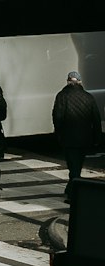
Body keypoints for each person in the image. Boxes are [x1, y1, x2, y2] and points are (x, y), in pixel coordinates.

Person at [52, 69, 101, 199]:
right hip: (84, 138)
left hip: (68, 138)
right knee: (77, 166)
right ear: (79, 82)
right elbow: (96, 119)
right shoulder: (88, 97)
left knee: (73, 167)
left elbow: (57, 117)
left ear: (68, 81)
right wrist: (97, 137)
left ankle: (73, 193)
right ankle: (71, 190)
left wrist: (58, 133)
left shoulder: (62, 96)